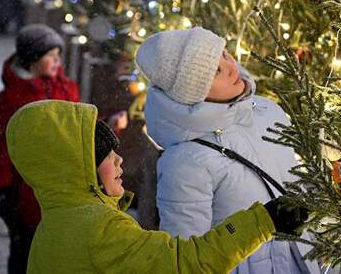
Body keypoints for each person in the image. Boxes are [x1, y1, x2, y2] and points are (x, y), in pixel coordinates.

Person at [4, 100, 309, 273]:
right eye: (108, 157)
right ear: (79, 168)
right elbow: (183, 264)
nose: (121, 161)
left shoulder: (56, 224)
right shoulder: (99, 229)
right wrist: (264, 220)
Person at [136, 27, 320, 274]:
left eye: (225, 54)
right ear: (194, 92)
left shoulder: (267, 112)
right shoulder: (184, 161)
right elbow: (189, 259)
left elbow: (296, 184)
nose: (232, 67)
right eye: (216, 71)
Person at [0, 24, 79, 274]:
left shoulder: (65, 88)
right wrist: (2, 188)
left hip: (61, 186)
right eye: (50, 56)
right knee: (25, 252)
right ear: (33, 59)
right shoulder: (14, 97)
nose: (57, 61)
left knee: (53, 252)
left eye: (58, 55)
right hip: (25, 192)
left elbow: (77, 128)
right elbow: (1, 146)